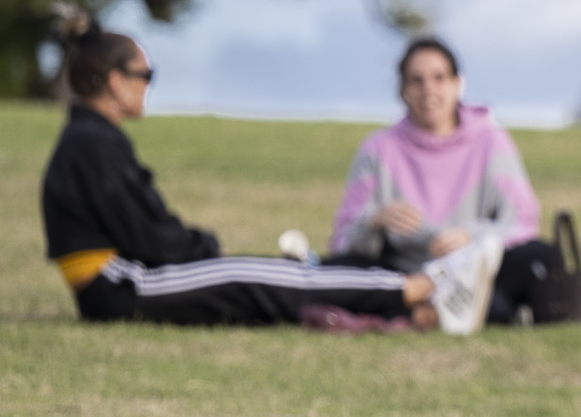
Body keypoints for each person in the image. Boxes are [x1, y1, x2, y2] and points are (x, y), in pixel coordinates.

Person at [39, 22, 489, 333]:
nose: (149, 86)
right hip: (122, 285)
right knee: (264, 278)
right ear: (116, 82)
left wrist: (204, 251)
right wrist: (208, 252)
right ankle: (427, 287)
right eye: (145, 75)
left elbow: (144, 226)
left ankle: (421, 307)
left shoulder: (91, 139)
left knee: (263, 285)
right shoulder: (92, 144)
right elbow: (148, 237)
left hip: (123, 281)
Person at [327, 37, 560, 325]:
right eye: (417, 80)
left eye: (439, 78)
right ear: (402, 90)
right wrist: (375, 220)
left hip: (474, 269)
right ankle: (475, 310)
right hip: (403, 273)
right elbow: (342, 239)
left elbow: (523, 221)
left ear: (457, 83)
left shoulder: (492, 142)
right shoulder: (378, 149)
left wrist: (472, 237)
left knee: (542, 254)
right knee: (338, 271)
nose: (429, 90)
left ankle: (454, 308)